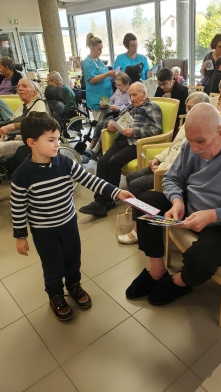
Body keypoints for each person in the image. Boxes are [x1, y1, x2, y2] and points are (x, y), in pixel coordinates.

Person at [125, 103, 221, 305]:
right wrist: (177, 200)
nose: (194, 149)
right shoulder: (192, 144)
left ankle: (180, 281)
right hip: (188, 206)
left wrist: (214, 215)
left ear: (220, 131)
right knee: (144, 203)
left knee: (202, 259)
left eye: (200, 141)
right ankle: (156, 270)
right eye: (191, 141)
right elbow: (172, 178)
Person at [10, 112, 134, 321]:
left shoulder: (65, 163)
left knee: (72, 258)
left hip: (68, 224)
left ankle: (74, 285)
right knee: (52, 264)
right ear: (32, 142)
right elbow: (18, 207)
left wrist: (116, 192)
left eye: (58, 139)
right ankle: (56, 295)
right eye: (51, 140)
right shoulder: (22, 175)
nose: (57, 144)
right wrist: (20, 235)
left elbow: (89, 180)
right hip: (44, 232)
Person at [118, 92, 211, 245]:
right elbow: (172, 147)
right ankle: (140, 217)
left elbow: (186, 164)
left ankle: (137, 228)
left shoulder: (201, 132)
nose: (189, 113)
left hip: (169, 171)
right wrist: (157, 158)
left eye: (193, 108)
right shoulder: (186, 125)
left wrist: (163, 166)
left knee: (136, 185)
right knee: (130, 177)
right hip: (163, 164)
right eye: (188, 108)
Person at [79, 82, 162, 218]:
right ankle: (100, 202)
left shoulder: (152, 107)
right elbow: (119, 119)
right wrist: (112, 124)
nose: (132, 98)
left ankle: (110, 199)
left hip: (136, 143)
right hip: (122, 140)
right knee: (102, 161)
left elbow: (157, 129)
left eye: (135, 95)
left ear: (144, 94)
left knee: (114, 161)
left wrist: (134, 131)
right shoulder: (131, 107)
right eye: (130, 95)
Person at [85, 72, 132, 158]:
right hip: (115, 113)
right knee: (99, 124)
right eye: (116, 85)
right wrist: (106, 104)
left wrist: (117, 107)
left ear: (127, 83)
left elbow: (130, 107)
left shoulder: (131, 92)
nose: (118, 88)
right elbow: (112, 99)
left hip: (124, 115)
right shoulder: (118, 90)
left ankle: (97, 148)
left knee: (106, 124)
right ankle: (91, 145)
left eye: (120, 85)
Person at [0, 78, 48, 157]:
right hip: (14, 137)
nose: (20, 89)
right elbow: (11, 121)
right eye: (18, 87)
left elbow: (37, 122)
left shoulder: (39, 103)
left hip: (30, 141)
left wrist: (13, 126)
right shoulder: (22, 107)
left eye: (24, 86)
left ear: (34, 92)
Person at [81, 33, 116, 123]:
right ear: (91, 47)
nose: (101, 51)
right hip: (97, 99)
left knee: (109, 124)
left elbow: (103, 76)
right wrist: (108, 74)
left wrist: (112, 76)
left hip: (107, 98)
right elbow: (92, 79)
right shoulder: (87, 62)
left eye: (101, 49)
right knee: (100, 126)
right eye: (98, 49)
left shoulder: (99, 61)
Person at [154, 68, 189, 137]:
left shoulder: (182, 90)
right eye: (159, 84)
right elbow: (155, 103)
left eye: (164, 84)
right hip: (159, 117)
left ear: (171, 79)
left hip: (175, 119)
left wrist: (168, 111)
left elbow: (183, 109)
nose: (162, 87)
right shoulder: (159, 89)